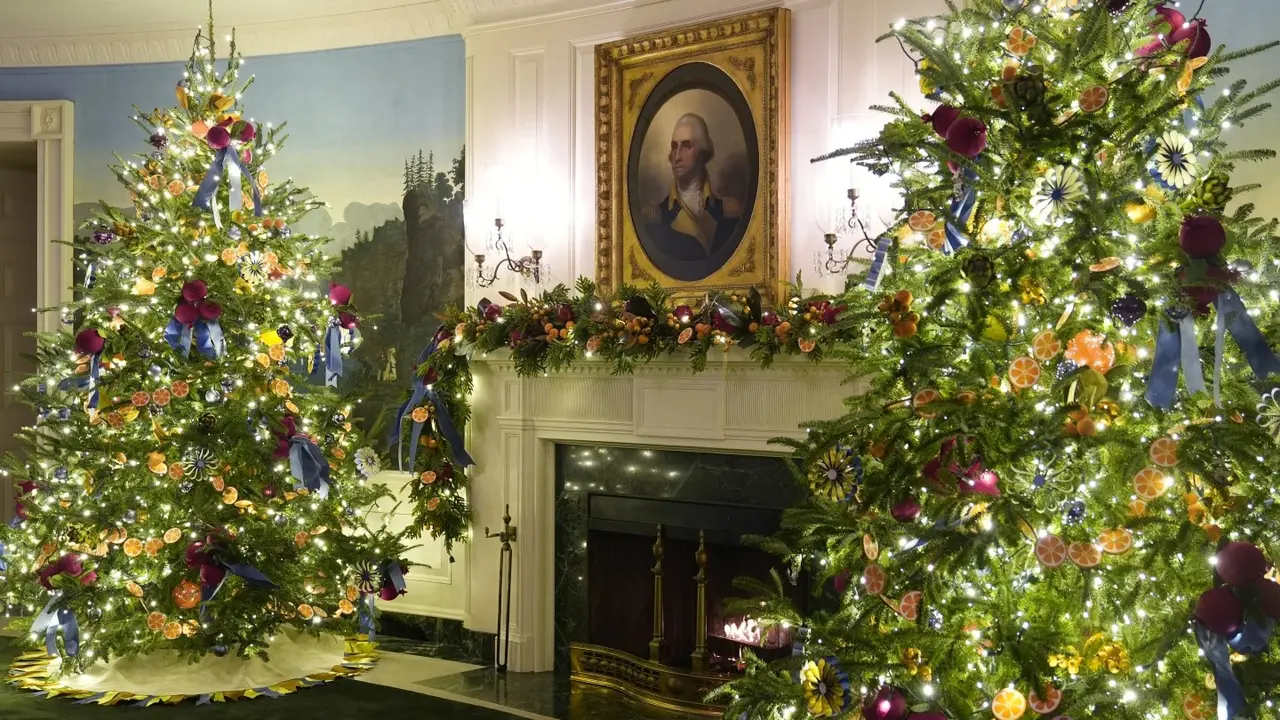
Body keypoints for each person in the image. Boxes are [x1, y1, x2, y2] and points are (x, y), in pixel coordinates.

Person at [639, 113, 743, 281]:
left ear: (703, 152)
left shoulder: (729, 211)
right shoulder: (654, 216)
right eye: (674, 146)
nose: (677, 156)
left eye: (686, 146)